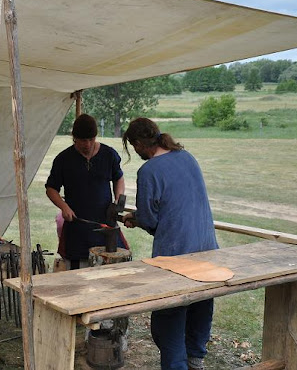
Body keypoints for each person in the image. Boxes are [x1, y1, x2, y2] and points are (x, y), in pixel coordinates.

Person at [121, 117, 219, 370]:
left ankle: (178, 365)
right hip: (208, 249)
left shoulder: (149, 171)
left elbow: (151, 220)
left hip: (177, 255)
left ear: (140, 143)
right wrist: (142, 217)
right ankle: (195, 359)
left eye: (134, 147)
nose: (136, 152)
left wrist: (137, 219)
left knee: (168, 320)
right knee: (200, 304)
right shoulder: (187, 157)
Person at [45, 114, 126, 269]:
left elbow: (119, 178)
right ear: (74, 138)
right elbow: (51, 189)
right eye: (82, 140)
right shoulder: (63, 159)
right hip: (77, 224)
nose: (87, 144)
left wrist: (118, 198)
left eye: (91, 139)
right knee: (77, 271)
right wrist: (64, 207)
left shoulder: (109, 155)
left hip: (105, 223)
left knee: (108, 268)